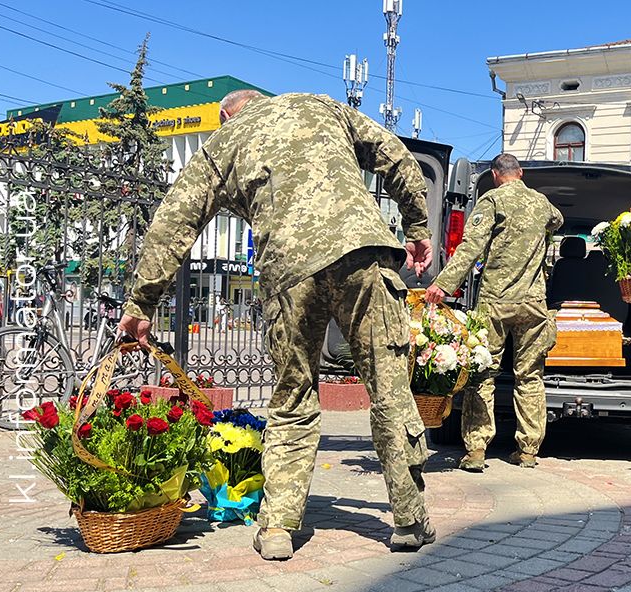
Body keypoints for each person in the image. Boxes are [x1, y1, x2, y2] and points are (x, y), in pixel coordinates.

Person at [118, 90, 436, 559]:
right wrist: (417, 229)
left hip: (288, 273)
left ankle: (278, 528)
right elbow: (399, 159)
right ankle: (408, 519)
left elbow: (172, 224)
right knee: (387, 389)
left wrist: (142, 304)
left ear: (228, 116)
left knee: (294, 397)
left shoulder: (221, 145)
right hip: (363, 255)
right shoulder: (320, 104)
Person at [424, 153, 563, 471]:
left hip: (496, 302)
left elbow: (470, 247)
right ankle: (528, 451)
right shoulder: (541, 203)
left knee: (483, 375)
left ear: (496, 175)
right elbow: (557, 220)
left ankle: (476, 450)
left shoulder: (492, 200)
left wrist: (443, 285)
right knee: (529, 376)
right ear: (521, 173)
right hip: (533, 303)